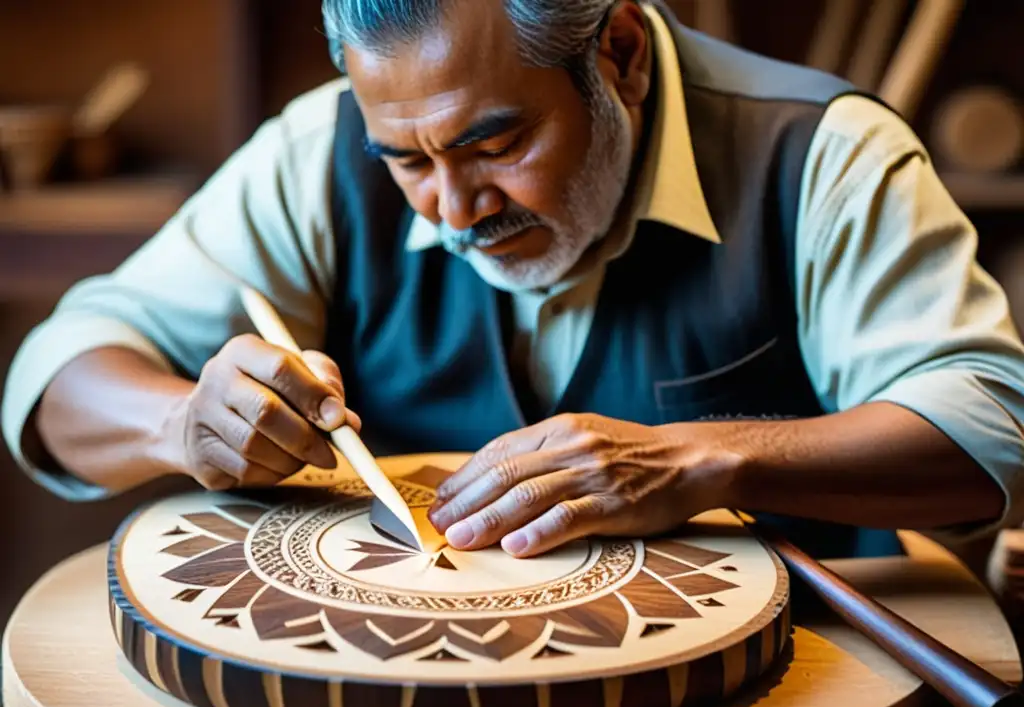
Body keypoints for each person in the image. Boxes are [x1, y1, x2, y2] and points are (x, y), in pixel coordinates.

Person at [3, 0, 1023, 562]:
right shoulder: (319, 153)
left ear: (617, 52)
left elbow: (990, 432)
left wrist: (707, 458)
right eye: (407, 160)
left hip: (762, 702)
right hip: (410, 699)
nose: (451, 205)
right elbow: (55, 376)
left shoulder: (821, 156)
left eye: (497, 141)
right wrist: (183, 423)